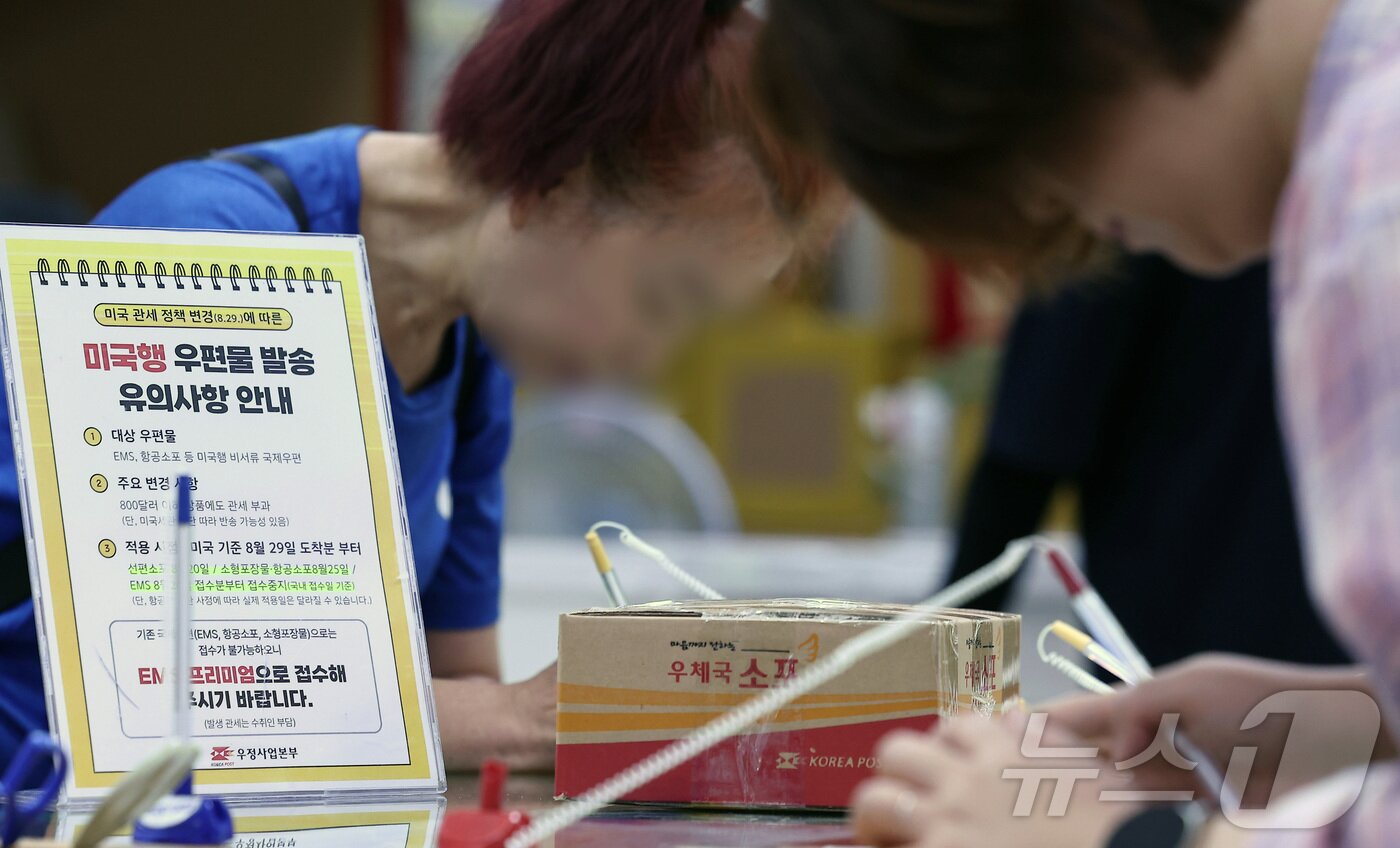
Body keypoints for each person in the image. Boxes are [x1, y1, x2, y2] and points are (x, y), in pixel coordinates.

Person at [0, 0, 841, 769]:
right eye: (661, 299)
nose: (649, 359)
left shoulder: (472, 346)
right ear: (548, 185)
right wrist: (532, 717)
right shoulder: (204, 253)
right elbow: (190, 700)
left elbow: (461, 691)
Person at [757, 0, 1400, 845]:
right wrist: (1341, 721)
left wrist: (1115, 838)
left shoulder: (1371, 208)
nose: (1072, 215)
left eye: (1035, 167)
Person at [948, 255, 1348, 669]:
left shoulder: (1113, 225)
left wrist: (938, 675)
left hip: (1173, 641)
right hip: (1331, 649)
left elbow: (1029, 443)